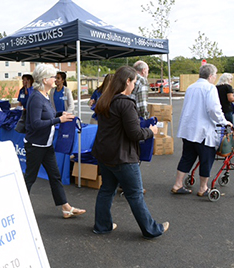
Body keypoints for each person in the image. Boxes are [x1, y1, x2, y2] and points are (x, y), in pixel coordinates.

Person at [91, 66, 168, 239]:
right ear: (127, 81)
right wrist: (152, 131)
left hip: (105, 155)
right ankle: (152, 230)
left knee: (106, 190)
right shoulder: (125, 103)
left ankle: (102, 226)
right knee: (135, 195)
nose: (134, 85)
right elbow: (135, 134)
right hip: (123, 157)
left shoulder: (104, 101)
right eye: (133, 82)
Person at [24, 63, 86, 219]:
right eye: (53, 77)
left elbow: (48, 114)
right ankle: (17, 208)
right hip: (36, 146)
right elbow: (36, 123)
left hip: (46, 145)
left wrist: (59, 113)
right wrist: (59, 119)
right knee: (29, 179)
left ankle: (66, 208)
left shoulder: (44, 95)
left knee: (55, 176)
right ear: (45, 80)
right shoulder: (36, 97)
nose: (55, 80)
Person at [171, 64, 232, 196]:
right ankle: (203, 188)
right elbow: (213, 109)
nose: (215, 77)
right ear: (210, 76)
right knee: (206, 158)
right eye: (215, 75)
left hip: (188, 129)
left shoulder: (191, 87)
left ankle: (178, 184)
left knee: (187, 157)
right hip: (203, 131)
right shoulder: (210, 88)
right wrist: (224, 122)